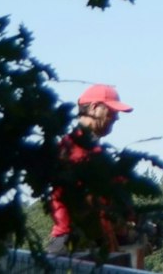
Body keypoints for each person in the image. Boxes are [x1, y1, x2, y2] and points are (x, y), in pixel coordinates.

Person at [47, 83, 135, 260]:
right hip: (76, 245)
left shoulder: (76, 146)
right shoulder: (79, 150)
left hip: (80, 242)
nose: (116, 118)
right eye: (112, 112)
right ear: (94, 108)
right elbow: (96, 201)